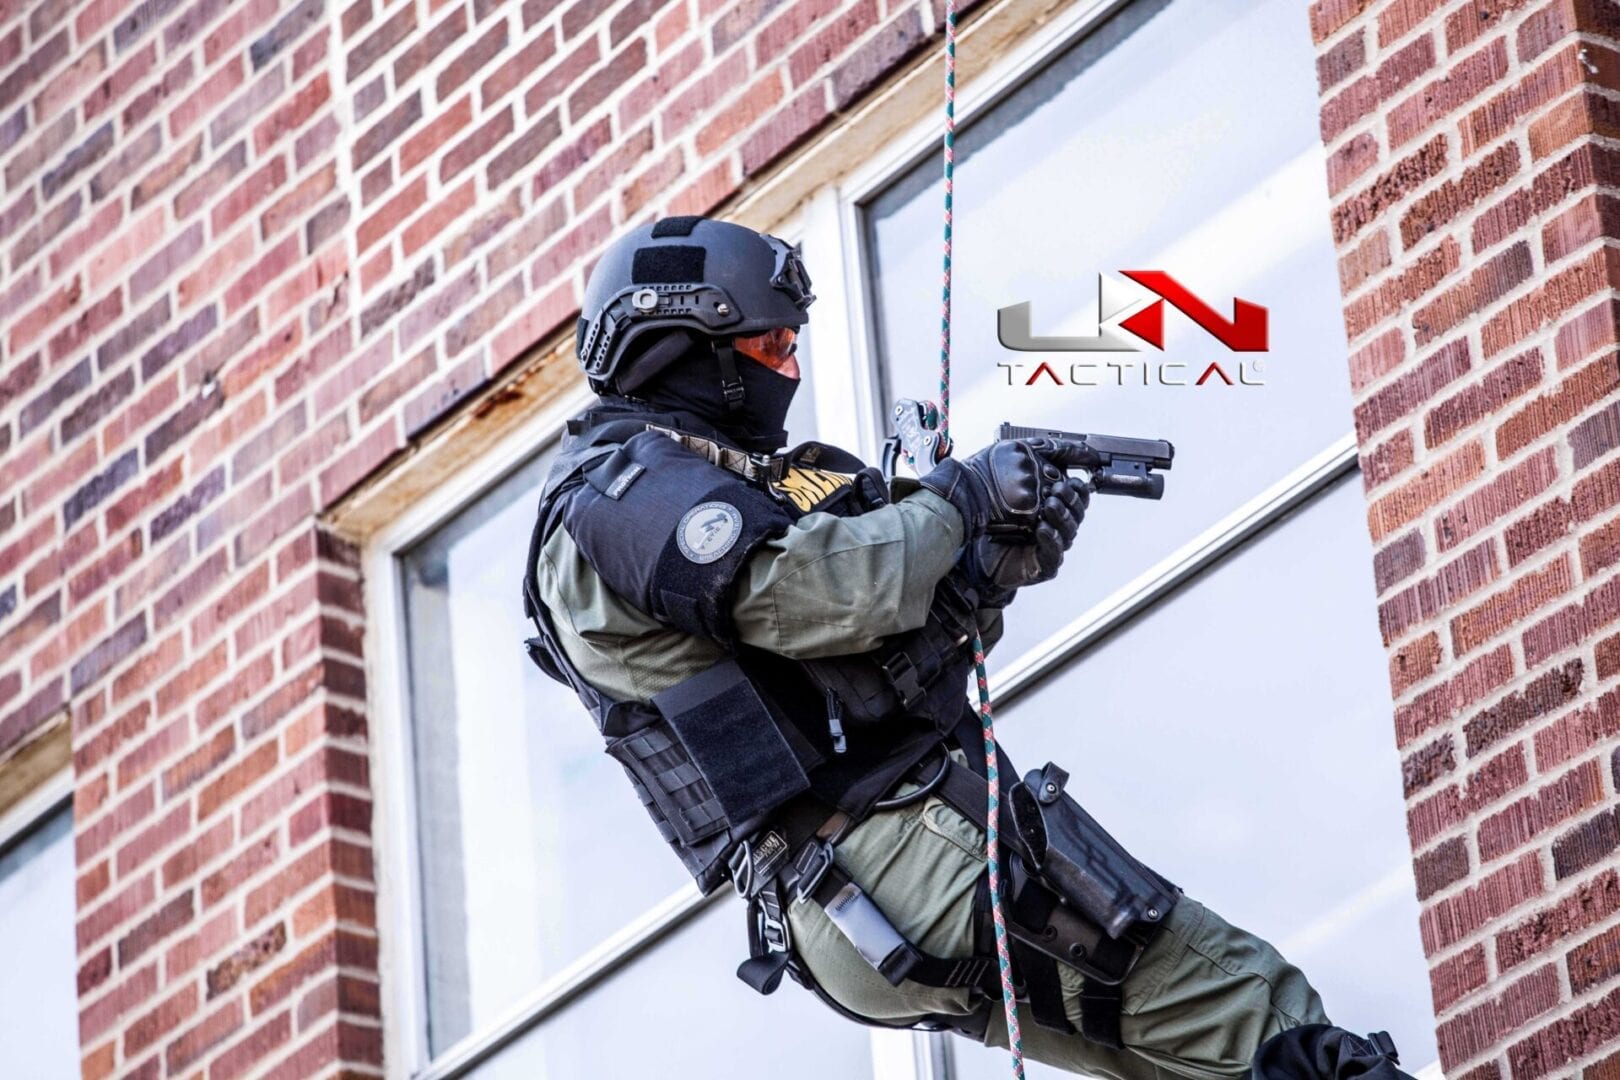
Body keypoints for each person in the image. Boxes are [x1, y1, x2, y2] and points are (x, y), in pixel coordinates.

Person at [520, 216, 1414, 1079]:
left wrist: (989, 566)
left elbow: (876, 657)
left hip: (869, 891)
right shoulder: (622, 491)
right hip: (896, 848)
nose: (788, 370)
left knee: (1193, 1065)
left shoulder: (716, 485)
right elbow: (830, 589)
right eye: (767, 349)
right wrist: (959, 497)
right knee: (1260, 1015)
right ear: (677, 347)